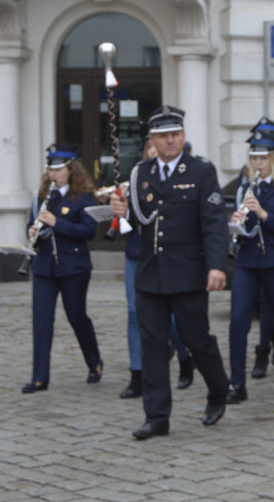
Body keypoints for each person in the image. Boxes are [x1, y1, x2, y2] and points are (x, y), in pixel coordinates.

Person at [110, 105, 231, 440]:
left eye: (175, 135)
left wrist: (217, 266)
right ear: (152, 139)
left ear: (183, 136)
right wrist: (121, 211)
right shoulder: (141, 173)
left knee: (197, 340)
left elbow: (214, 223)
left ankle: (219, 389)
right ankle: (157, 416)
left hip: (187, 273)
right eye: (163, 136)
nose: (170, 141)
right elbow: (137, 221)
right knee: (152, 345)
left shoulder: (201, 171)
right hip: (150, 275)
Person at [226, 130, 274, 403]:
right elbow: (243, 229)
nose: (257, 164)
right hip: (248, 262)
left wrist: (261, 213)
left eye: (262, 158)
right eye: (253, 158)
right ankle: (237, 382)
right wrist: (237, 222)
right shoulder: (247, 188)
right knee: (238, 318)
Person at [22, 144, 103, 394]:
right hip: (45, 266)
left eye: (57, 170)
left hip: (73, 266)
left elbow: (88, 231)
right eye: (50, 170)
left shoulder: (85, 197)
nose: (52, 175)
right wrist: (32, 230)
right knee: (42, 320)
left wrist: (57, 222)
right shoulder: (43, 196)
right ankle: (39, 377)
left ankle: (94, 361)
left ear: (70, 170)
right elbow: (31, 221)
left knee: (76, 316)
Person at [118, 137, 195, 399]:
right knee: (133, 312)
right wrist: (120, 207)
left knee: (171, 314)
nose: (153, 152)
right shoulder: (136, 178)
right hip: (137, 252)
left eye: (156, 149)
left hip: (164, 254)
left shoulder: (174, 179)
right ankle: (137, 374)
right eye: (149, 149)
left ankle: (184, 354)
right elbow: (126, 223)